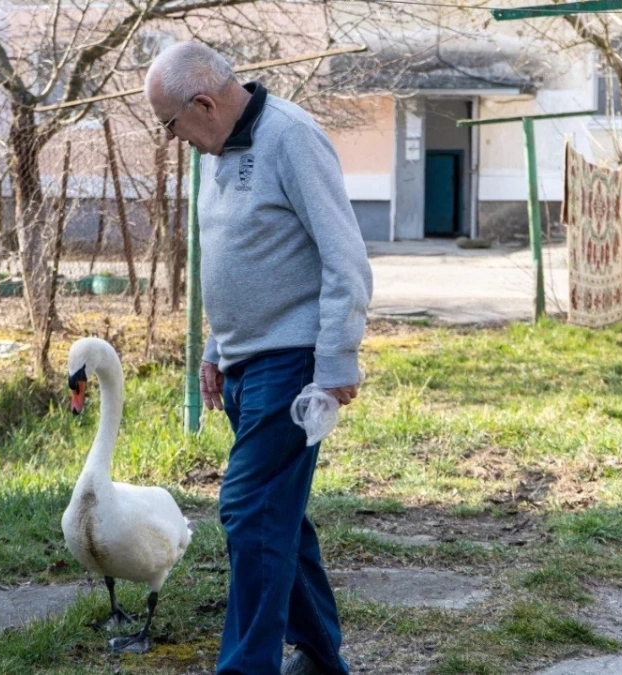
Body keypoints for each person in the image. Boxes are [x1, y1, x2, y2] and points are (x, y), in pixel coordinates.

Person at [144, 41, 373, 675]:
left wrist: (336, 363)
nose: (174, 140)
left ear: (203, 103)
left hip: (291, 364)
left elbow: (345, 257)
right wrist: (218, 345)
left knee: (247, 510)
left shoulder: (291, 139)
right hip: (246, 364)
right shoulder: (219, 151)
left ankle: (246, 667)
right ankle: (324, 659)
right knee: (279, 519)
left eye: (171, 126)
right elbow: (237, 256)